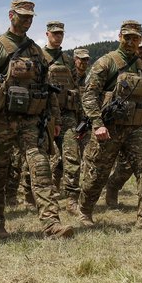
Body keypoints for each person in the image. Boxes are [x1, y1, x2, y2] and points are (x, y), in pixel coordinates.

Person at [0, 0, 74, 239]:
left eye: (30, 17)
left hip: (30, 120)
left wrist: (55, 119)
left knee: (40, 166)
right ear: (11, 15)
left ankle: (51, 224)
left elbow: (48, 88)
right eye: (22, 16)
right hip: (1, 119)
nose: (27, 20)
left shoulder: (36, 51)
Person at [77, 21, 142, 229]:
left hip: (136, 129)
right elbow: (89, 95)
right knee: (97, 174)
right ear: (119, 37)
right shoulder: (106, 63)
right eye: (127, 37)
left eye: (135, 38)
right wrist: (97, 124)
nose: (131, 42)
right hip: (109, 129)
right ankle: (85, 210)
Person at [104, 34, 142, 209]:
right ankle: (113, 186)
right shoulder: (123, 69)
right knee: (125, 166)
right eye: (140, 47)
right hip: (128, 123)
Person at [41, 21, 78, 198]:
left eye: (61, 34)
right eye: (54, 33)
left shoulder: (67, 60)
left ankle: (71, 198)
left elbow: (76, 86)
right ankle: (31, 193)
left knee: (72, 156)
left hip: (66, 114)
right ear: (47, 34)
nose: (58, 36)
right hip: (44, 114)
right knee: (40, 158)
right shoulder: (38, 56)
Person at [62, 48, 90, 214]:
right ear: (74, 59)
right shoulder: (68, 76)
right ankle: (70, 198)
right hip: (66, 118)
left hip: (83, 121)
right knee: (68, 157)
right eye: (80, 59)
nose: (83, 62)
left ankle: (78, 197)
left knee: (86, 155)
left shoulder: (89, 78)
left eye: (86, 60)